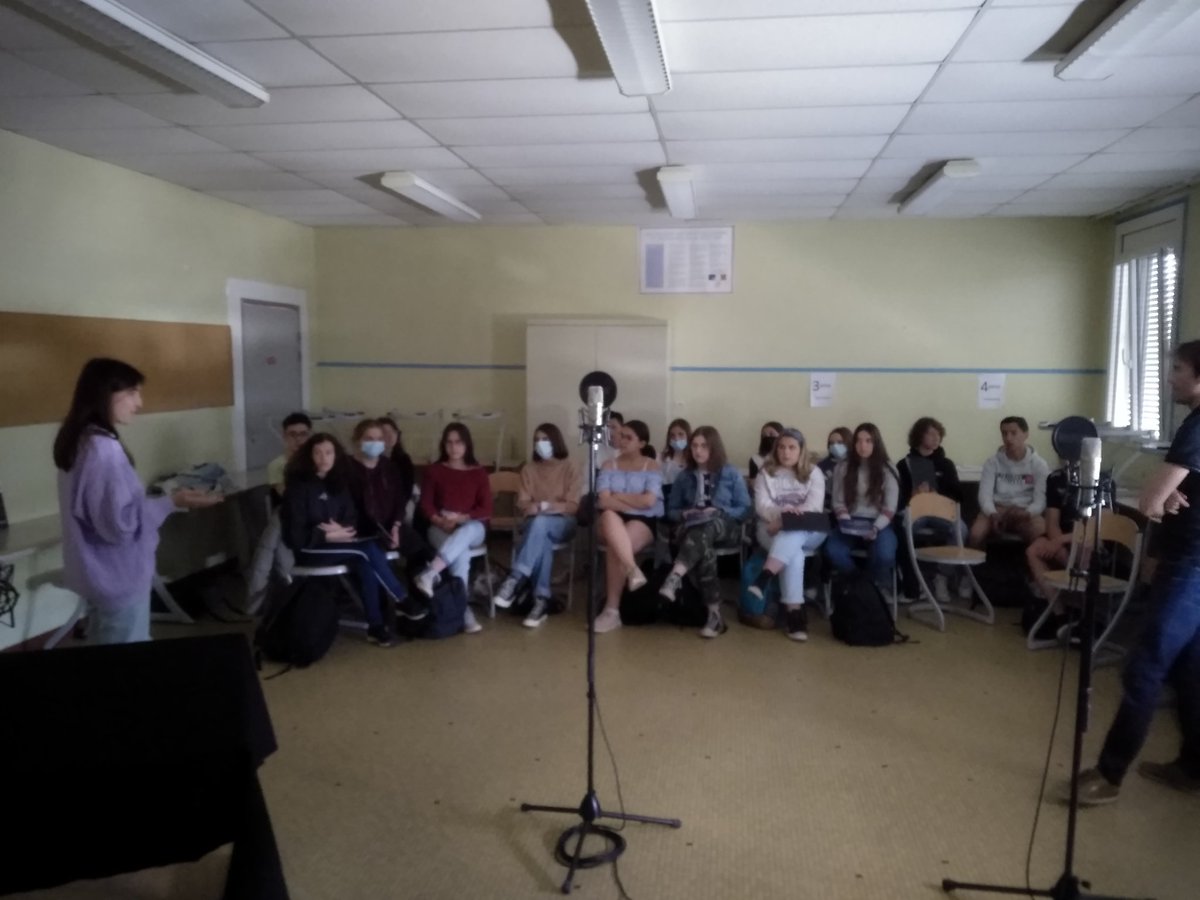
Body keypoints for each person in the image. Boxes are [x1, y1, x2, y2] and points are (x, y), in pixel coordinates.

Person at [1074, 340, 1200, 805]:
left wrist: (1163, 499)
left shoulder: (1196, 428)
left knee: (1144, 667)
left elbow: (1149, 502)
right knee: (1191, 670)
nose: (1170, 377)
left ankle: (1108, 775)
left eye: (1179, 369)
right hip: (1189, 561)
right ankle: (1192, 766)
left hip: (1189, 566)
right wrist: (1170, 500)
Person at [54, 358, 222, 644]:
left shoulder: (79, 439)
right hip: (118, 578)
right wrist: (173, 502)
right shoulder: (103, 450)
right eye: (132, 392)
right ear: (105, 392)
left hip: (96, 576)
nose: (139, 402)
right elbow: (121, 525)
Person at [282, 433, 423, 647]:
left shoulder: (338, 484)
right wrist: (327, 535)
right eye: (318, 453)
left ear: (336, 455)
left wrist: (341, 529)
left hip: (337, 545)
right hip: (309, 549)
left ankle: (375, 628)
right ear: (309, 457)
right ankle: (402, 599)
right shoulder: (299, 487)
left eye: (328, 452)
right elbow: (295, 536)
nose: (323, 458)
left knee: (365, 560)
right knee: (366, 549)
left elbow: (350, 520)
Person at [661, 426, 751, 639]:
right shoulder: (684, 477)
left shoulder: (730, 473)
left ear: (714, 447)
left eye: (704, 446)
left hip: (725, 526)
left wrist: (719, 511)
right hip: (692, 528)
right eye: (694, 446)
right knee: (705, 548)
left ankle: (675, 576)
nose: (698, 450)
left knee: (709, 524)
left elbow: (746, 509)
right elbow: (670, 511)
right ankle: (714, 614)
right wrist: (686, 513)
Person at [494, 423, 582, 627]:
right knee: (540, 535)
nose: (540, 444)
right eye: (536, 440)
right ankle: (541, 600)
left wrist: (542, 506)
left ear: (555, 441)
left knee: (540, 523)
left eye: (545, 439)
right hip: (534, 524)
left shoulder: (570, 466)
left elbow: (572, 506)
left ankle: (515, 577)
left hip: (563, 523)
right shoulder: (529, 469)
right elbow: (523, 504)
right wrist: (541, 508)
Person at [747, 428, 826, 641]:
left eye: (792, 447)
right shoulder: (766, 472)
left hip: (809, 529)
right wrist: (780, 517)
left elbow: (814, 507)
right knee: (795, 553)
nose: (786, 452)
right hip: (770, 527)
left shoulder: (814, 472)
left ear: (801, 450)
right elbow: (762, 506)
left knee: (794, 531)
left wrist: (786, 520)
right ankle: (795, 615)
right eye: (781, 447)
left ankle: (765, 576)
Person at [413, 423, 492, 634]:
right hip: (441, 527)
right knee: (461, 554)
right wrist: (439, 520)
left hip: (472, 526)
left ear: (467, 444)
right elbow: (426, 505)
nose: (453, 447)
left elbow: (486, 508)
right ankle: (463, 609)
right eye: (449, 442)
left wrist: (461, 518)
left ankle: (430, 573)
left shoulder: (478, 473)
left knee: (466, 533)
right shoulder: (435, 471)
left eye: (458, 442)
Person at [594, 420, 663, 634]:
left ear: (641, 443)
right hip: (611, 518)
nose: (621, 440)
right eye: (620, 435)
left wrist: (619, 496)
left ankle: (611, 610)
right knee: (608, 517)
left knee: (617, 545)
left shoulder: (651, 466)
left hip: (643, 520)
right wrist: (633, 500)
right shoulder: (608, 465)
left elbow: (649, 502)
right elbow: (603, 502)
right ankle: (632, 570)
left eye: (628, 437)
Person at [242, 411, 311, 613]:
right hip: (289, 519)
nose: (298, 439)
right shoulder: (277, 465)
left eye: (303, 434)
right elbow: (289, 497)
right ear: (284, 436)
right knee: (277, 534)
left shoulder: (318, 459)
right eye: (293, 434)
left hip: (312, 519)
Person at [897, 416, 968, 604]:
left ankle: (942, 577)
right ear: (919, 435)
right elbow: (898, 499)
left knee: (960, 529)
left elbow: (958, 497)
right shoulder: (904, 464)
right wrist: (913, 495)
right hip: (916, 510)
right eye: (931, 433)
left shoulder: (946, 464)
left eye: (938, 434)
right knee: (901, 526)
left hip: (941, 512)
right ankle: (911, 579)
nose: (936, 437)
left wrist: (939, 496)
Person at [825, 422, 900, 589]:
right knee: (833, 551)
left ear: (876, 443)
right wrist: (847, 523)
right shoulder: (843, 467)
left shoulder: (888, 469)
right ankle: (861, 584)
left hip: (879, 523)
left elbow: (890, 507)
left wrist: (875, 528)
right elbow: (838, 501)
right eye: (858, 441)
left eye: (868, 441)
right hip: (849, 521)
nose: (862, 446)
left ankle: (869, 587)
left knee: (885, 555)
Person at [346, 418, 430, 568]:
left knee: (420, 549)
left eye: (379, 439)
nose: (375, 443)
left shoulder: (389, 467)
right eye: (369, 439)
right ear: (358, 441)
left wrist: (396, 525)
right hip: (361, 529)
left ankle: (423, 586)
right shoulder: (347, 468)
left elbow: (400, 500)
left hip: (391, 526)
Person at [969, 416, 1049, 548]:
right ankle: (973, 568)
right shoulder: (992, 462)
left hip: (1025, 510)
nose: (1008, 438)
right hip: (997, 509)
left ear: (1025, 434)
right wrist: (992, 513)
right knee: (975, 534)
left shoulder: (1039, 465)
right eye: (1004, 434)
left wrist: (1028, 513)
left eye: (1013, 433)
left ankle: (1032, 566)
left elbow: (1040, 500)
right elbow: (985, 495)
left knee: (1040, 532)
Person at [377, 415, 416, 517]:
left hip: (400, 504)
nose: (389, 436)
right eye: (384, 432)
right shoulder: (373, 459)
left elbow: (407, 488)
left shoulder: (404, 459)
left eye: (393, 432)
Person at [660, 418, 692, 494]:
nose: (676, 438)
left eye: (681, 434)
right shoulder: (661, 458)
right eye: (672, 435)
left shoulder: (694, 458)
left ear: (688, 436)